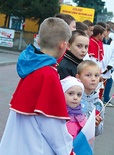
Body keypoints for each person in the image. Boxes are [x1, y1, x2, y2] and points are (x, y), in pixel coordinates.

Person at [0, 17, 73, 155]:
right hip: (35, 149)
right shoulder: (48, 75)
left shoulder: (31, 68)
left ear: (38, 40)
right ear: (63, 45)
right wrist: (67, 151)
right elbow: (53, 125)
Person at [76, 60, 104, 136]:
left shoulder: (99, 104)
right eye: (88, 75)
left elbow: (99, 132)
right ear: (78, 77)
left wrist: (97, 125)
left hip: (87, 145)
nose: (93, 79)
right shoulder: (74, 99)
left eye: (96, 75)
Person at [101, 24, 114, 107]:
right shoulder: (99, 42)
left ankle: (105, 99)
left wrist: (109, 67)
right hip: (99, 66)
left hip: (107, 67)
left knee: (108, 83)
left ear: (108, 32)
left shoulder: (113, 43)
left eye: (105, 30)